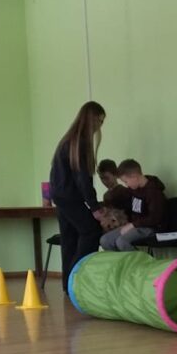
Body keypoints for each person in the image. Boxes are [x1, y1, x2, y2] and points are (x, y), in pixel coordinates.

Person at [49, 101, 106, 292]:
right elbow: (83, 179)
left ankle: (68, 285)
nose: (100, 126)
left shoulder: (68, 140)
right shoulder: (80, 143)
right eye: (99, 121)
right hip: (70, 197)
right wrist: (94, 207)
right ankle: (78, 278)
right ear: (92, 119)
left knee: (70, 239)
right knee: (92, 231)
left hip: (60, 196)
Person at [99, 160, 167, 252]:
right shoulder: (134, 189)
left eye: (126, 181)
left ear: (134, 177)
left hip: (151, 228)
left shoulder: (154, 192)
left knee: (122, 242)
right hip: (136, 226)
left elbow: (154, 218)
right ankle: (123, 260)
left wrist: (132, 225)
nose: (126, 185)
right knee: (105, 240)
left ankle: (139, 260)